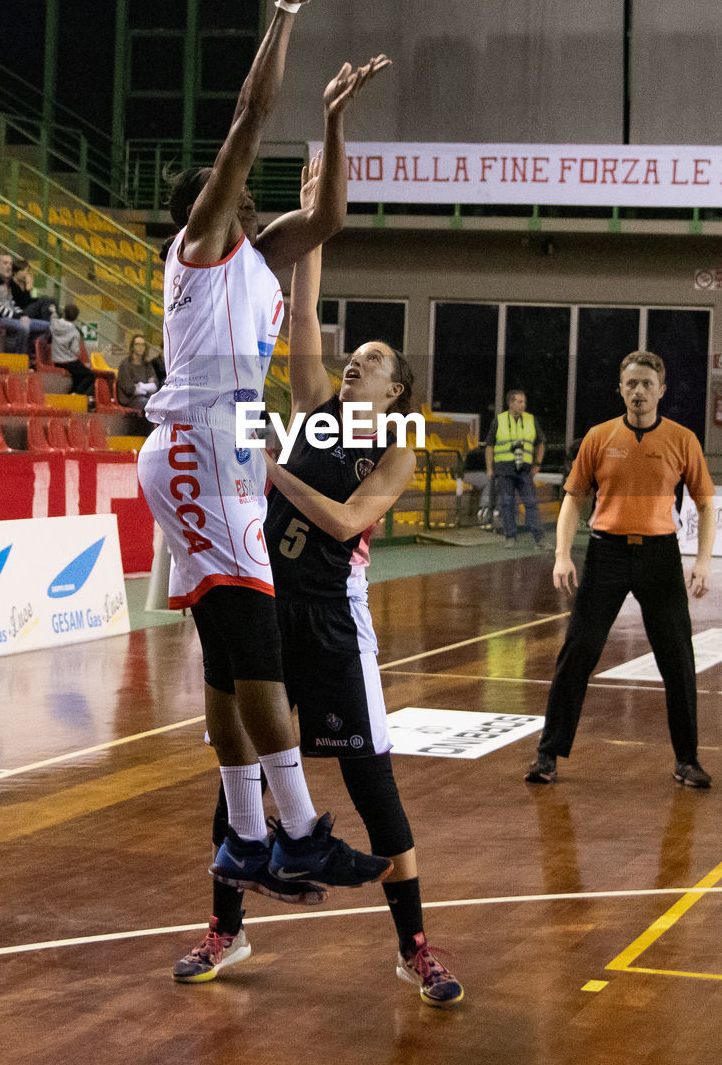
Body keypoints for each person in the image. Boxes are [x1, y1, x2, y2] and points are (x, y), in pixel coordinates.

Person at [138, 0, 394, 928]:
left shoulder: (260, 252)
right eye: (229, 183)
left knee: (225, 656)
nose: (242, 185)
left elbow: (326, 214)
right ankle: (288, 822)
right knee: (255, 642)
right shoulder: (203, 246)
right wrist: (285, 13)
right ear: (207, 205)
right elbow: (246, 123)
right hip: (202, 439)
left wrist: (332, 121)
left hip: (224, 449)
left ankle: (250, 832)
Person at [174, 232, 464, 1007]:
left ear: (396, 390)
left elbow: (341, 523)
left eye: (372, 358)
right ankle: (225, 930)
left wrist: (264, 465)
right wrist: (314, 227)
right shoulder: (311, 410)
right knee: (241, 780)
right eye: (354, 353)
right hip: (266, 610)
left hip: (335, 622)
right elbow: (302, 308)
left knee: (373, 788)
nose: (356, 361)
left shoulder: (397, 448)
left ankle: (415, 949)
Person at [525, 350, 716, 788]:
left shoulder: (682, 439)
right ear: (620, 388)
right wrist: (561, 554)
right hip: (606, 553)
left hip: (660, 558)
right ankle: (547, 755)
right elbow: (573, 498)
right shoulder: (599, 436)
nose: (639, 392)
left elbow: (705, 504)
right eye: (631, 384)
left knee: (678, 660)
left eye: (648, 384)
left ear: (662, 391)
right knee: (578, 653)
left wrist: (702, 562)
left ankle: (687, 761)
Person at [484, 389, 546, 548]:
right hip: (505, 468)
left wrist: (537, 464)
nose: (523, 405)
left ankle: (539, 537)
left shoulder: (531, 420)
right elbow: (489, 445)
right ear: (510, 403)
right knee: (507, 503)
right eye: (519, 401)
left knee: (531, 502)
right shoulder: (500, 420)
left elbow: (541, 443)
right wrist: (490, 468)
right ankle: (510, 537)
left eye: (524, 402)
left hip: (524, 469)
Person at [0, 252, 52, 354]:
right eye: (5, 263)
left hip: (8, 316)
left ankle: (31, 350)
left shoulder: (5, 280)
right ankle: (20, 357)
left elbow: (11, 302)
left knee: (49, 326)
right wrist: (17, 316)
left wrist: (21, 314)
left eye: (10, 264)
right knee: (23, 327)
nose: (9, 267)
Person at [49, 303, 96, 398]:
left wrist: (53, 311)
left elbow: (53, 316)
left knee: (77, 376)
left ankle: (70, 395)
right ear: (75, 318)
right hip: (68, 361)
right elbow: (75, 350)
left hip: (56, 360)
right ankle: (76, 395)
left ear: (64, 313)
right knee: (89, 375)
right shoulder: (74, 332)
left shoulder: (54, 323)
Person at [116, 334, 160, 410]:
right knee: (148, 404)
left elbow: (155, 386)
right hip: (130, 400)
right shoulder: (125, 364)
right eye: (137, 344)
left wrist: (140, 385)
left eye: (143, 345)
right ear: (132, 347)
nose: (140, 347)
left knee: (161, 403)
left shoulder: (147, 364)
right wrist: (148, 387)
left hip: (145, 397)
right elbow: (130, 389)